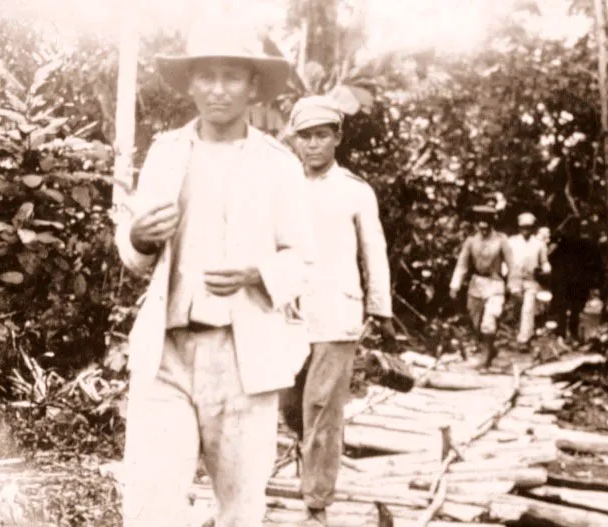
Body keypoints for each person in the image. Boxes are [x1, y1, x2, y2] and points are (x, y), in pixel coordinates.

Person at [114, 17, 312, 527]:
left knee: (240, 508)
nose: (217, 89)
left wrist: (257, 273)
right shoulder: (165, 153)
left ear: (252, 87)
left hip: (243, 357)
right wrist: (138, 239)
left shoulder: (279, 165)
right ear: (190, 83)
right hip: (168, 352)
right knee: (150, 503)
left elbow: (304, 261)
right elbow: (136, 251)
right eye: (206, 75)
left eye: (231, 76)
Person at [279, 95, 397, 527]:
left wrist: (380, 309)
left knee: (323, 407)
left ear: (337, 138)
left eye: (321, 135)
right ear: (294, 139)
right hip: (286, 312)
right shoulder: (282, 186)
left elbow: (375, 252)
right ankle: (310, 466)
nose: (312, 145)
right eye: (305, 136)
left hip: (336, 313)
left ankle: (316, 504)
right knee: (290, 404)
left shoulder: (355, 191)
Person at [449, 205, 514, 370]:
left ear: (492, 223)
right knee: (476, 324)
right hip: (476, 285)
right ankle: (490, 348)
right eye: (480, 223)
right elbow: (462, 264)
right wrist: (455, 285)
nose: (483, 227)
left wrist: (513, 285)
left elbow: (512, 265)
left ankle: (485, 358)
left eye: (486, 223)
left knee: (489, 322)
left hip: (495, 284)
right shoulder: (471, 241)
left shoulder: (501, 240)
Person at [549, 220, 603, 343]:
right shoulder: (581, 243)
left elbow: (595, 263)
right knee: (571, 309)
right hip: (572, 281)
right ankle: (566, 333)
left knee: (569, 308)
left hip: (573, 281)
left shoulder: (564, 243)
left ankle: (565, 333)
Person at [507, 212, 551, 347]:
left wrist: (546, 268)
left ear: (533, 228)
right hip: (515, 279)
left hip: (531, 280)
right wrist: (504, 269)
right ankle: (517, 330)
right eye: (523, 227)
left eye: (529, 227)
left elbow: (544, 261)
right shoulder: (512, 241)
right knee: (516, 305)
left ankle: (524, 339)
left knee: (528, 307)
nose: (525, 230)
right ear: (519, 228)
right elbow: (505, 258)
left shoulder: (539, 244)